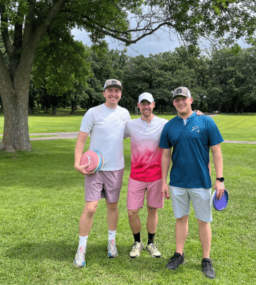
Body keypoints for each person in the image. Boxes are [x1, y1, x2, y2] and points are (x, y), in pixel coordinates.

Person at [159, 87, 225, 279]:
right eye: (177, 100)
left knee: (203, 221)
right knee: (181, 219)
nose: (181, 102)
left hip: (201, 181)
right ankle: (179, 255)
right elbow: (165, 155)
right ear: (173, 103)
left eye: (184, 99)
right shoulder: (170, 126)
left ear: (191, 100)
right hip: (177, 181)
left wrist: (219, 179)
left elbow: (217, 151)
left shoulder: (206, 121)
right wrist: (164, 181)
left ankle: (206, 259)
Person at [73, 79, 131, 268]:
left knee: (113, 206)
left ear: (120, 94)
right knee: (90, 208)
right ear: (104, 93)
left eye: (117, 91)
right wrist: (77, 162)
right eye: (110, 90)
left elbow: (136, 131)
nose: (114, 94)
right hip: (94, 169)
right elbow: (81, 141)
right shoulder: (93, 112)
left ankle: (111, 241)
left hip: (115, 168)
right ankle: (81, 248)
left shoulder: (124, 113)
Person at [124, 92, 168, 259]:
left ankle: (150, 243)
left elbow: (181, 127)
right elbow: (113, 134)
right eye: (143, 104)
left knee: (152, 210)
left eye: (148, 103)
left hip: (156, 177)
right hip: (136, 176)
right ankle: (137, 242)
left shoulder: (164, 124)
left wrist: (197, 115)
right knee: (132, 212)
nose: (146, 107)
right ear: (138, 105)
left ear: (153, 105)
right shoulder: (130, 125)